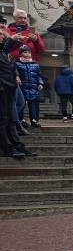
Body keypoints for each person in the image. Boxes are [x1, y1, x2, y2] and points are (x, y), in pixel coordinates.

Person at [0, 29, 35, 158]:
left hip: (9, 87)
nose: (2, 37)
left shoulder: (4, 52)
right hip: (3, 88)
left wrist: (13, 40)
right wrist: (12, 39)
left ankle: (17, 145)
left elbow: (7, 53)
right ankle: (8, 147)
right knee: (3, 119)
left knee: (11, 119)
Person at [14, 46, 45, 128]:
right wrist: (17, 78)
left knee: (33, 105)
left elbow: (39, 76)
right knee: (21, 104)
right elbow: (15, 73)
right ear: (20, 54)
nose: (27, 54)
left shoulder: (35, 65)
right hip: (22, 87)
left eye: (29, 52)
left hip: (33, 87)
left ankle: (34, 120)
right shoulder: (17, 63)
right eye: (25, 52)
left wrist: (40, 83)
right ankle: (21, 120)